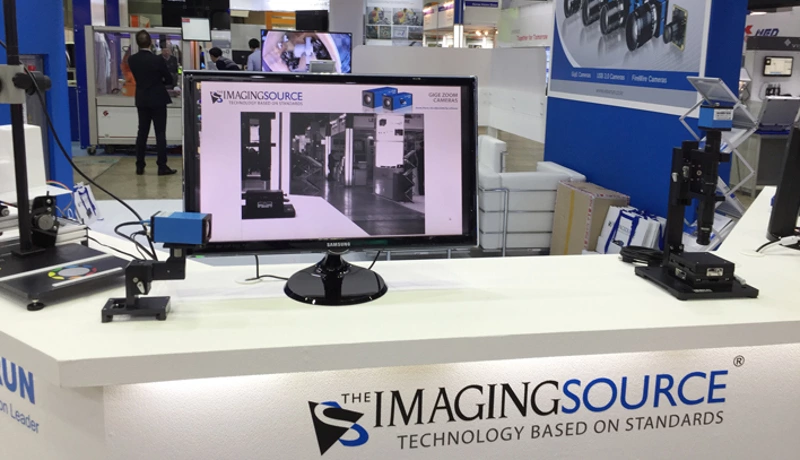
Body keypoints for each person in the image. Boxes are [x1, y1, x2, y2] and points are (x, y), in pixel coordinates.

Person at [128, 30, 177, 176]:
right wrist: (159, 81)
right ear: (150, 42)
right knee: (160, 133)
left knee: (142, 132)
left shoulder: (132, 60)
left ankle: (139, 165)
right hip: (158, 99)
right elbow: (168, 79)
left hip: (142, 99)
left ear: (137, 43)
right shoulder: (157, 60)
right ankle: (162, 166)